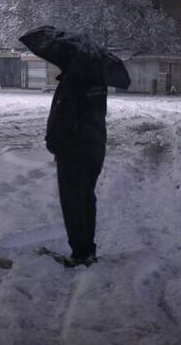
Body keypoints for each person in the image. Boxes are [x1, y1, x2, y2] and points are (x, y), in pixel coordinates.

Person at [46, 68, 107, 266]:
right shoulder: (98, 81)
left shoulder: (72, 82)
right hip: (95, 146)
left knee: (73, 201)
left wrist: (53, 142)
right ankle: (88, 248)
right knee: (86, 197)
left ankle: (81, 252)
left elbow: (62, 117)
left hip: (73, 150)